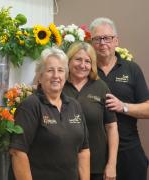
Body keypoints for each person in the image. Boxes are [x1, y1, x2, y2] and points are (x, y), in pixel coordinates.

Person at [9, 47, 90, 180]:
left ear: (66, 75)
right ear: (40, 77)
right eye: (50, 70)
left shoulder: (74, 106)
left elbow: (84, 151)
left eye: (60, 70)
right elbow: (18, 153)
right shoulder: (30, 106)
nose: (56, 76)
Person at [89, 17, 149, 180]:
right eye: (97, 39)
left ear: (116, 41)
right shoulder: (85, 71)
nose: (102, 43)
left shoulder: (132, 69)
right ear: (91, 43)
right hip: (94, 154)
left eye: (107, 38)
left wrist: (124, 106)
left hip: (128, 150)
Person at [63, 41, 119, 180]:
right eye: (78, 59)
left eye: (87, 61)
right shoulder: (59, 84)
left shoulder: (101, 87)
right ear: (68, 61)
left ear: (92, 64)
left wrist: (111, 164)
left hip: (96, 166)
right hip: (62, 164)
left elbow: (112, 127)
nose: (83, 65)